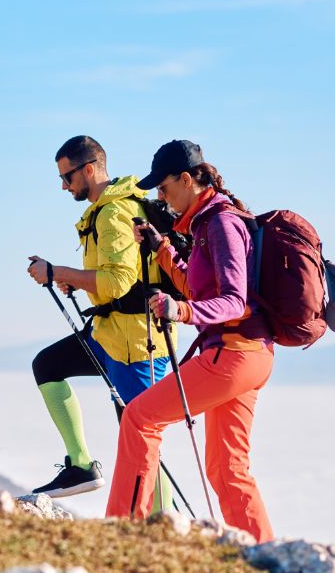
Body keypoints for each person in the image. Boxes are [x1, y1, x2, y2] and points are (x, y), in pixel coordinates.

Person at [104, 139, 276, 543]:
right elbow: (200, 289)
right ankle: (263, 553)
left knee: (139, 419)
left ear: (187, 179)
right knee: (227, 468)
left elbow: (233, 300)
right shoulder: (206, 224)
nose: (161, 198)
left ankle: (122, 531)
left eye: (163, 188)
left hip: (232, 354)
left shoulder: (221, 224)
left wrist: (180, 312)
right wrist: (162, 249)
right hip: (247, 355)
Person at [26, 136, 175, 511]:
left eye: (67, 177)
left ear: (89, 169)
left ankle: (164, 521)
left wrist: (58, 272)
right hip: (110, 335)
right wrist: (71, 277)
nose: (64, 185)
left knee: (140, 436)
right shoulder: (108, 210)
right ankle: (79, 467)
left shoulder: (113, 214)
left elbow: (115, 283)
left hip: (137, 344)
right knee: (48, 365)